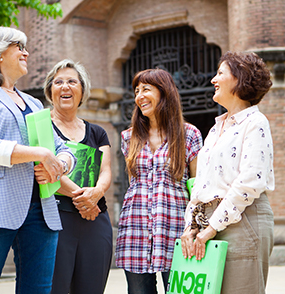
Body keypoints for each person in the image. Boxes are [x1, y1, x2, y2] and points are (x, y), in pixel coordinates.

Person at [0, 26, 75, 294]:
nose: (26, 52)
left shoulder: (33, 103)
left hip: (41, 212)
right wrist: (40, 154)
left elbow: (61, 148)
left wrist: (61, 165)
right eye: (18, 47)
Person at [180, 51, 274, 294]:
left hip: (243, 218)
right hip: (208, 221)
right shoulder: (215, 128)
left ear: (239, 79)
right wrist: (191, 226)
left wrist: (212, 226)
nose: (213, 79)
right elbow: (200, 183)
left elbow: (250, 181)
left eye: (220, 73)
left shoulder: (255, 122)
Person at [115, 68, 203, 294]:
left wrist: (196, 229)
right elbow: (133, 183)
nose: (139, 96)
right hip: (135, 229)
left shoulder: (189, 134)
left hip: (175, 230)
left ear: (164, 92)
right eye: (136, 91)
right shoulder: (128, 137)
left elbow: (198, 187)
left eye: (146, 89)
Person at [37, 59, 113, 294]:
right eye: (58, 82)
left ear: (82, 91)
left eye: (72, 81)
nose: (65, 87)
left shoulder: (97, 132)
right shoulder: (41, 127)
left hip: (95, 219)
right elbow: (44, 172)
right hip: (55, 220)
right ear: (50, 91)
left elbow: (106, 170)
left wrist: (97, 193)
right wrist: (84, 200)